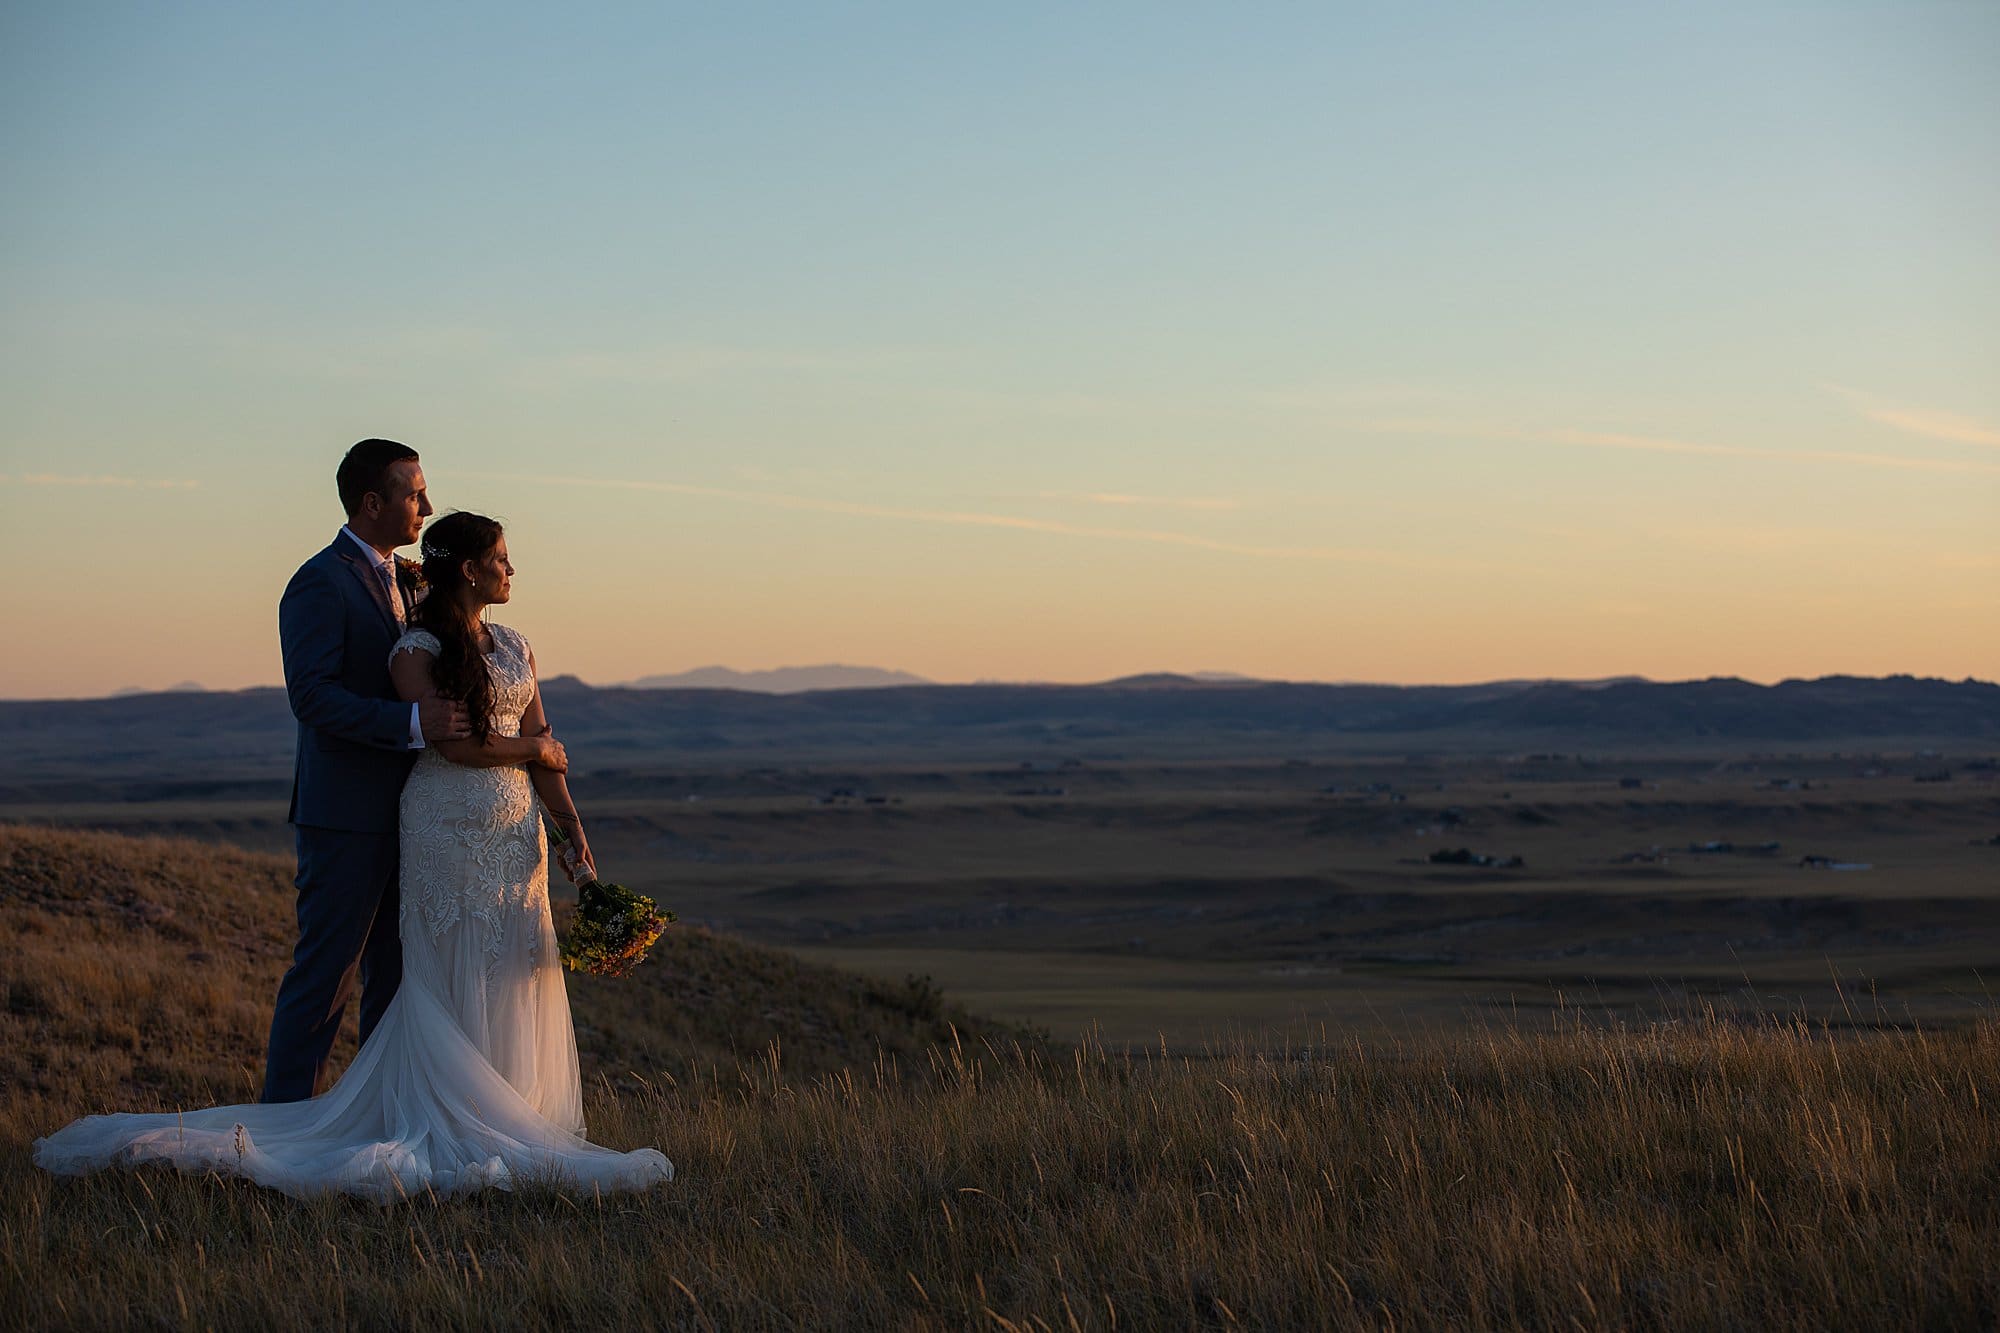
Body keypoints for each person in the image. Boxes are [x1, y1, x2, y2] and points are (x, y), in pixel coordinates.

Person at [32, 507, 672, 1200]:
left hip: (516, 838)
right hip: (445, 827)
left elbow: (544, 736)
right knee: (442, 964)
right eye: (502, 557)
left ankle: (517, 1115)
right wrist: (534, 749)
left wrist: (571, 829)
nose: (512, 569)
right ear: (468, 568)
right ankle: (441, 1117)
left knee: (511, 966)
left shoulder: (517, 642)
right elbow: (455, 744)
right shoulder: (414, 650)